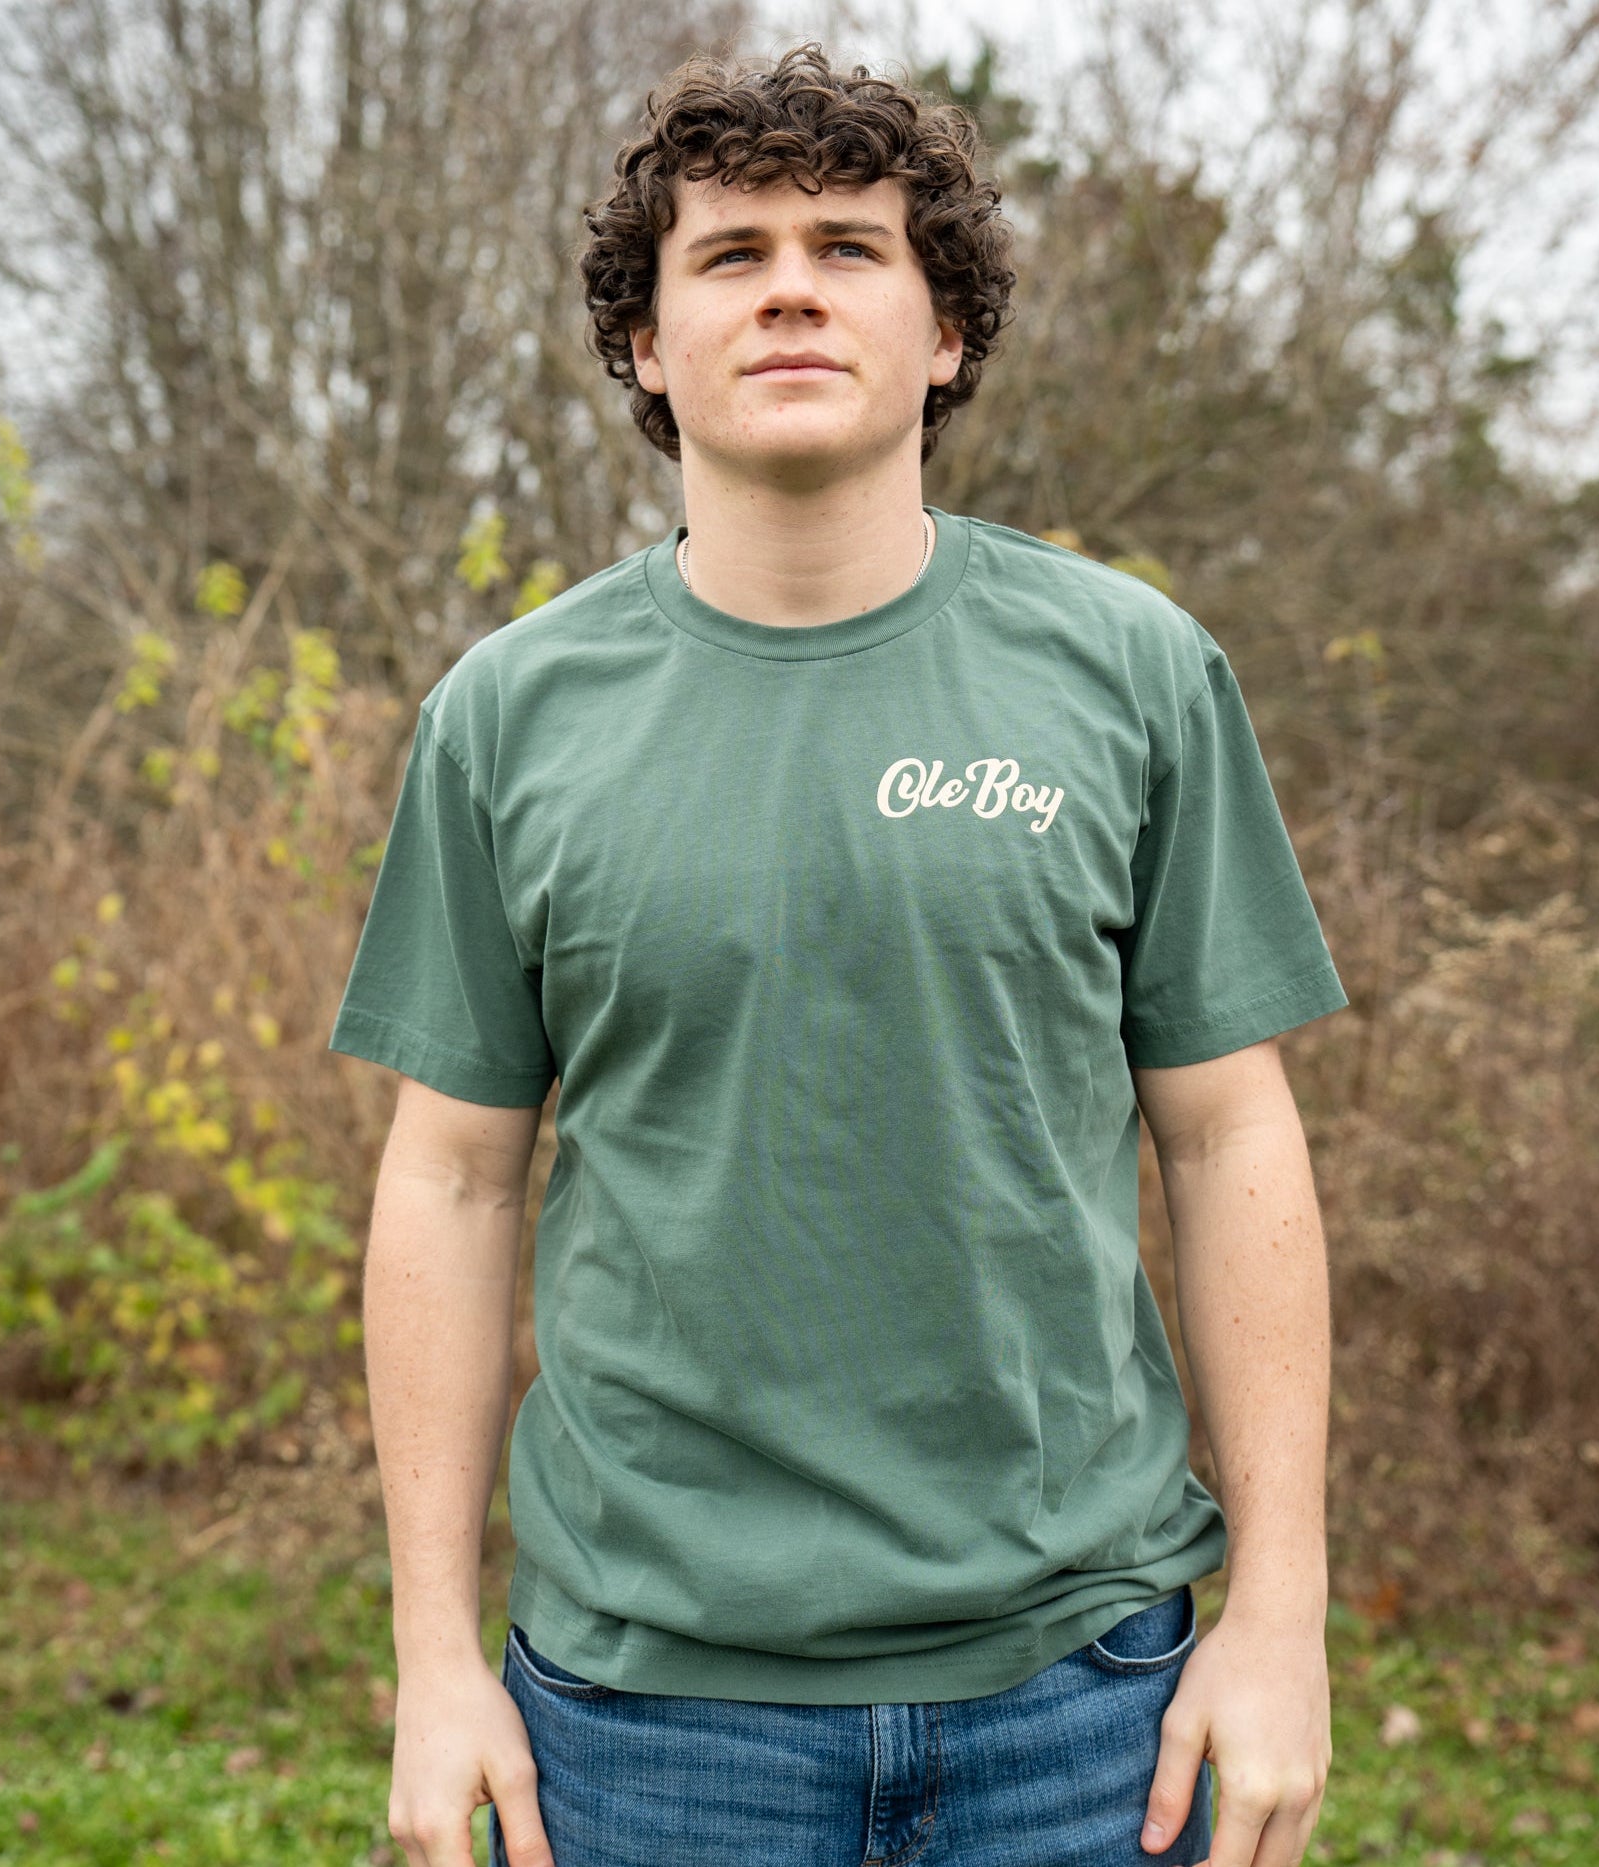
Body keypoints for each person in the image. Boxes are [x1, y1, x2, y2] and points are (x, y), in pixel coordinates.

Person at [328, 39, 1344, 1867]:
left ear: (946, 332)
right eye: (728, 255)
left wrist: (1281, 1615)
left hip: (1087, 1697)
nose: (791, 283)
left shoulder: (1131, 673)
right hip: (644, 1723)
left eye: (850, 247)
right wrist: (429, 1656)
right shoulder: (508, 718)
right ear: (645, 345)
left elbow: (1229, 1137)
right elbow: (455, 1184)